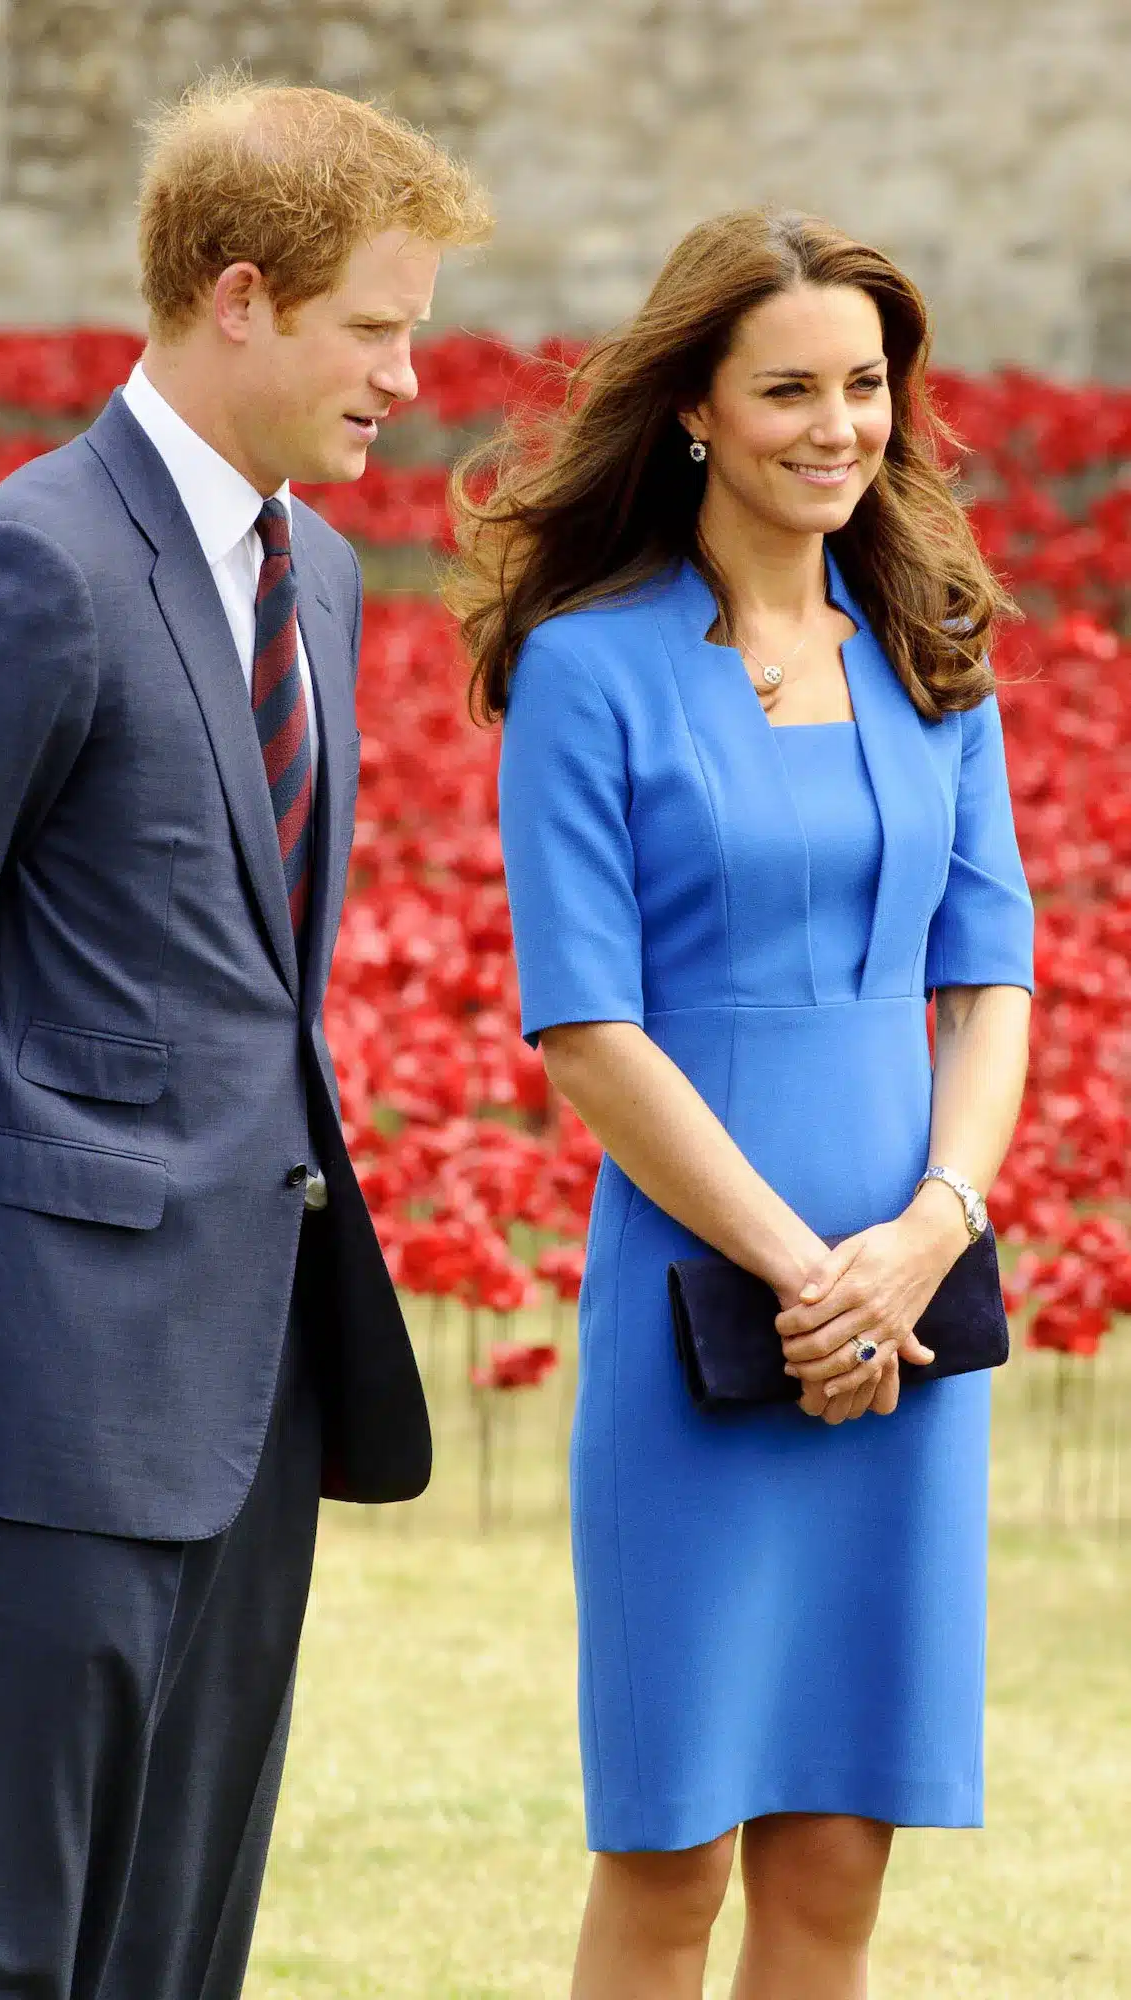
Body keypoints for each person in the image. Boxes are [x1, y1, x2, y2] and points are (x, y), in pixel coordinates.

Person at [0, 77, 491, 2000]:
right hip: (41, 1394)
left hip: (248, 1389)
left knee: (178, 1950)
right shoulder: (33, 564)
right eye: (375, 329)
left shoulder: (312, 574)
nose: (408, 379)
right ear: (238, 299)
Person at [449, 208, 1034, 2000]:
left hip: (905, 1311)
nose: (835, 426)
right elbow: (588, 1030)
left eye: (863, 385)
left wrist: (924, 1236)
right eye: (787, 388)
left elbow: (992, 977)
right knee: (669, 1855)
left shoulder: (934, 646)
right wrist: (808, 1278)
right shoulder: (586, 670)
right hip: (709, 1305)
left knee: (839, 1862)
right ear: (695, 407)